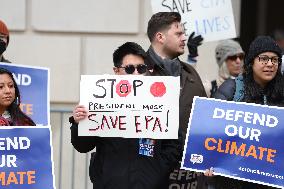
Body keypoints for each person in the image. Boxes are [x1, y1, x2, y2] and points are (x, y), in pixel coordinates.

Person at [70, 42, 179, 189]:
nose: (136, 74)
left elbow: (174, 144)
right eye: (129, 69)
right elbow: (83, 146)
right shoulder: (101, 101)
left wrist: (159, 169)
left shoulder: (159, 102)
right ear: (116, 70)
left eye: (141, 68)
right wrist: (78, 123)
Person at [146, 12, 208, 189]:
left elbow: (204, 120)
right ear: (160, 37)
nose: (184, 38)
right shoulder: (138, 72)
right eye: (178, 34)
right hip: (150, 173)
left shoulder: (190, 72)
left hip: (188, 176)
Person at [213, 36, 284, 188]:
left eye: (275, 59)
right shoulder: (232, 89)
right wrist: (209, 161)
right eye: (264, 59)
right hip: (233, 180)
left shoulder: (282, 93)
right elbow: (211, 130)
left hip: (271, 179)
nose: (270, 64)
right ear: (251, 62)